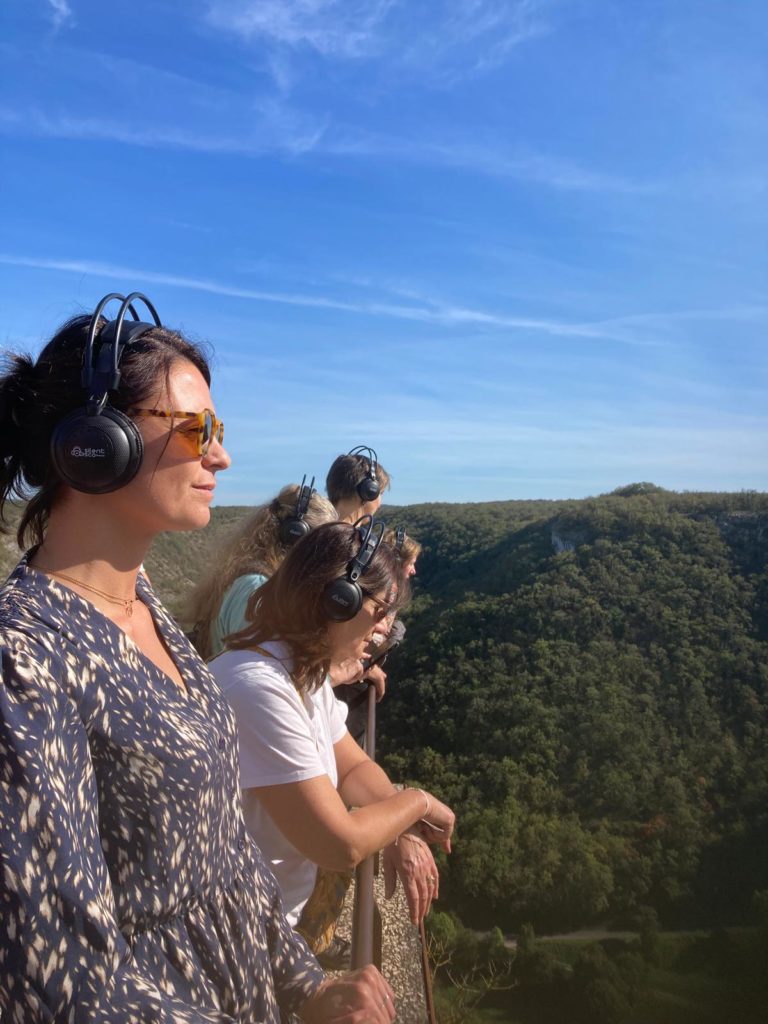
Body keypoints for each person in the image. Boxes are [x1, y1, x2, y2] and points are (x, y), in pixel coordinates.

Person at [0, 294, 394, 1024]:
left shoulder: (147, 613)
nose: (222, 453)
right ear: (97, 440)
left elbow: (227, 862)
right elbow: (62, 987)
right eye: (197, 430)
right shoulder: (24, 659)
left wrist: (307, 987)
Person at [209, 520, 456, 942]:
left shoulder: (301, 670)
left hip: (262, 922)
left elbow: (354, 766)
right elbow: (338, 845)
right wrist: (415, 804)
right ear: (338, 601)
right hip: (234, 937)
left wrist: (395, 824)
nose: (383, 629)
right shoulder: (257, 687)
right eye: (379, 612)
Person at [185, 480, 337, 660]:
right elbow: (252, 673)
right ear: (295, 536)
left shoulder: (264, 584)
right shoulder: (256, 588)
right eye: (320, 546)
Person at [325, 446, 390, 524]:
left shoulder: (311, 531)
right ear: (370, 491)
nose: (380, 504)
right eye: (380, 493)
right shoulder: (359, 536)